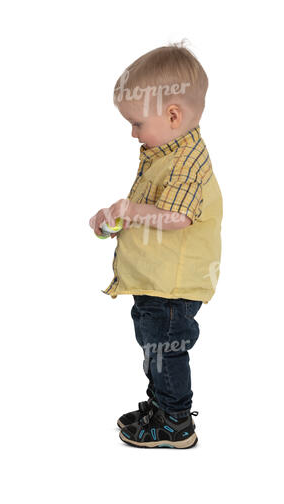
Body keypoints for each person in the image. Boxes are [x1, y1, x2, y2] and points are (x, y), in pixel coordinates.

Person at [89, 43, 222, 448]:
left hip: (171, 286)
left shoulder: (186, 163)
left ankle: (176, 421)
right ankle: (160, 405)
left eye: (136, 123)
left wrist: (130, 211)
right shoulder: (165, 149)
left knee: (165, 350)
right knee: (154, 349)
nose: (132, 133)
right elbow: (153, 208)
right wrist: (117, 218)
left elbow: (177, 217)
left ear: (173, 115)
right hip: (156, 279)